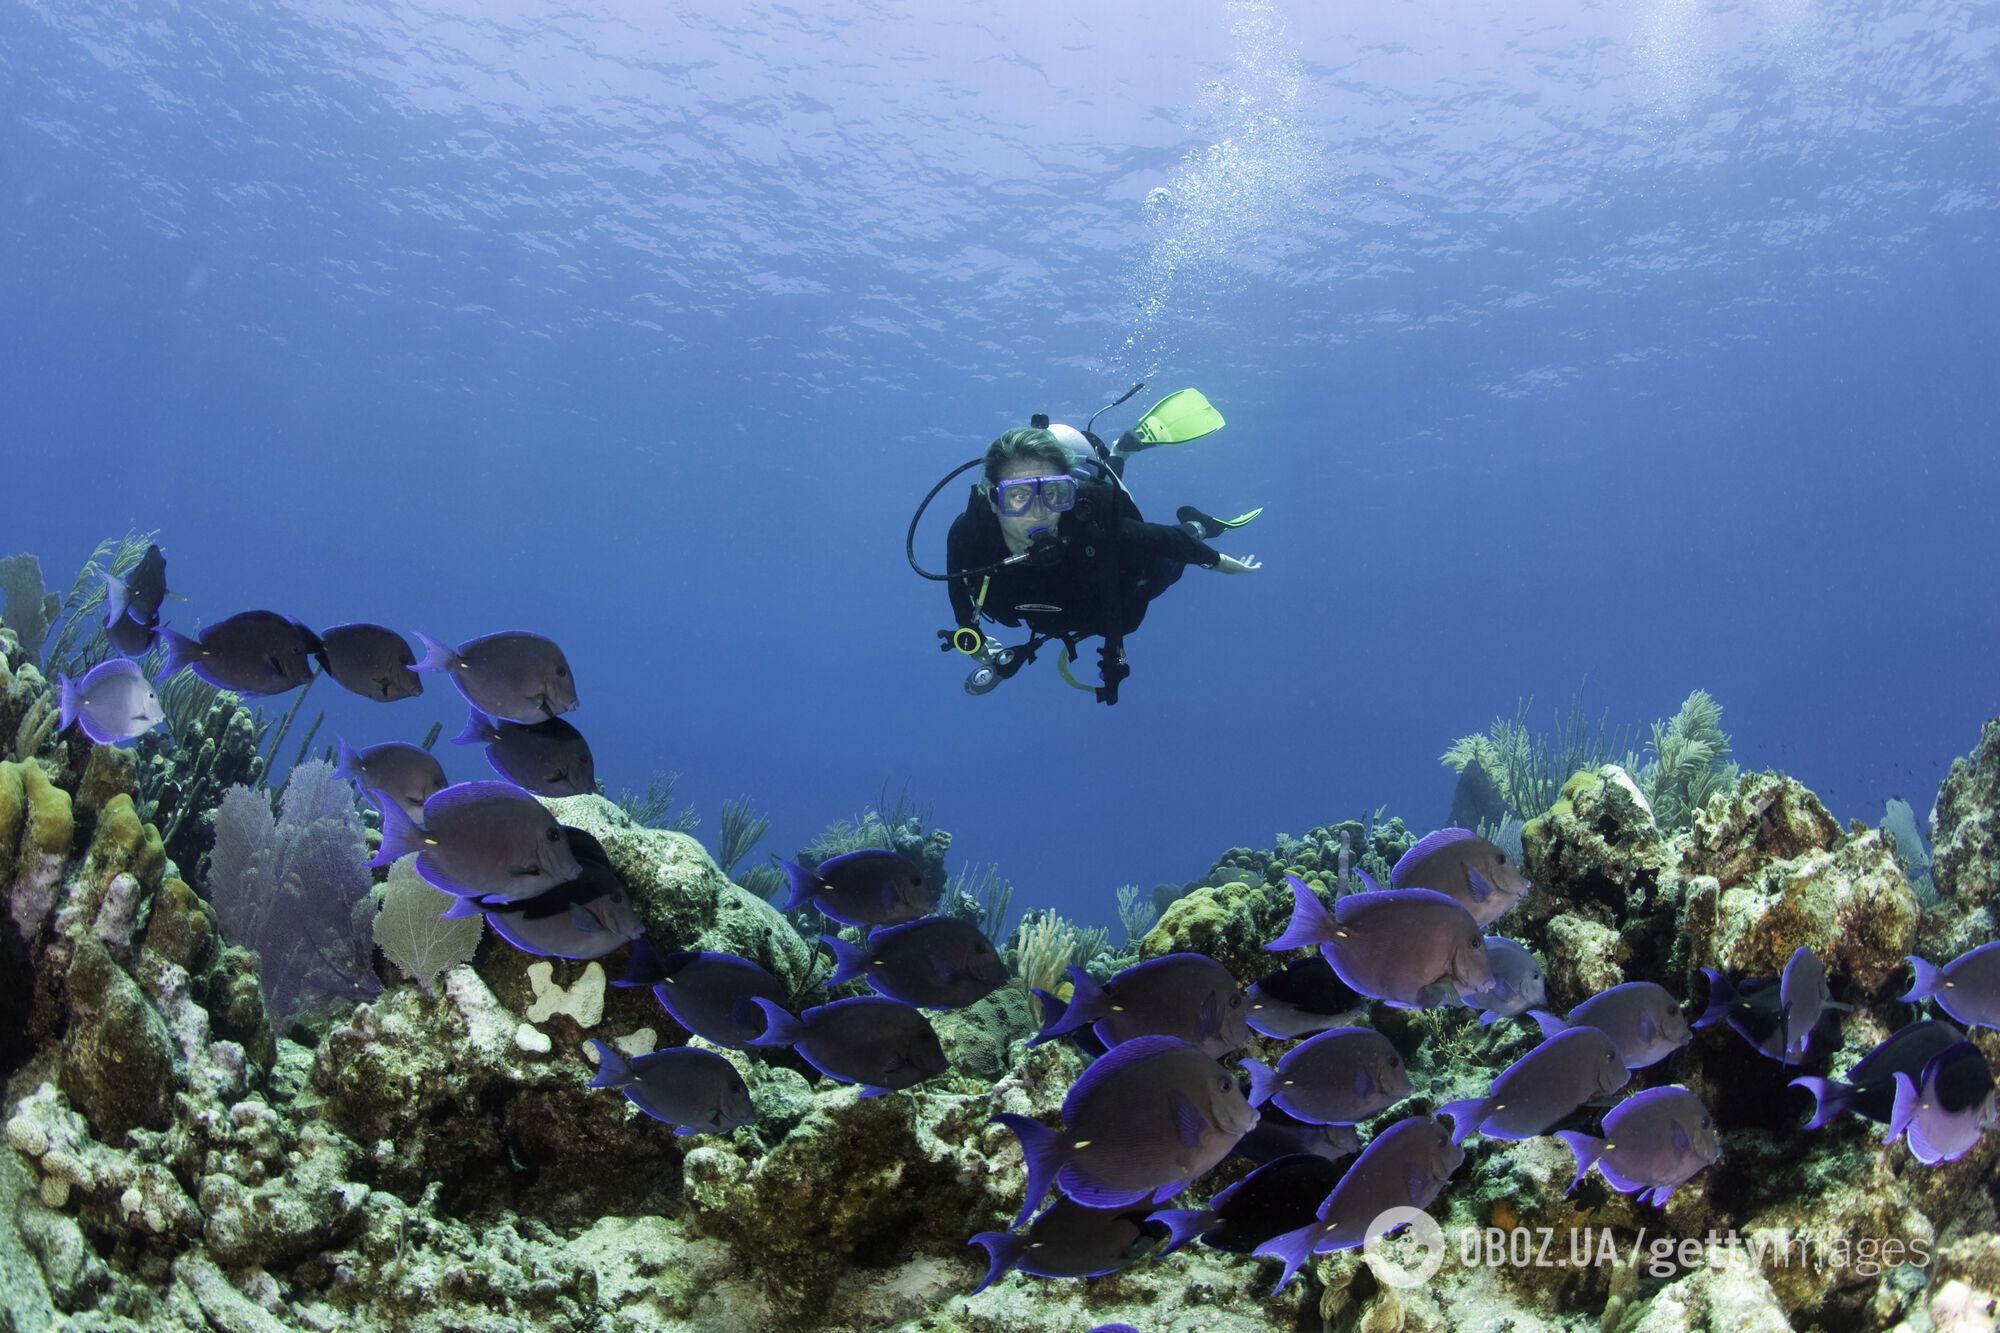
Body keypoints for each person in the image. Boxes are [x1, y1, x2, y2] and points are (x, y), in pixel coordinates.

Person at [942, 420, 1260, 702]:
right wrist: (970, 634)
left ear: (1069, 493)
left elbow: (1168, 540)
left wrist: (1221, 563)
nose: (1038, 512)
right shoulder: (969, 537)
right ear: (993, 501)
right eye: (1019, 496)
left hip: (1124, 579)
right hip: (1071, 609)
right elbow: (959, 591)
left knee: (1160, 565)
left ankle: (1199, 524)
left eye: (1052, 493)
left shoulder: (1097, 530)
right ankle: (1117, 454)